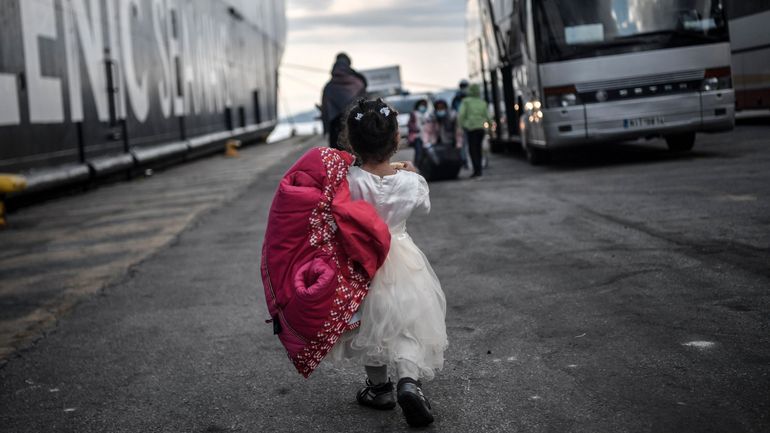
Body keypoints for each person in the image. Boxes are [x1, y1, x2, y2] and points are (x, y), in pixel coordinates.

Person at [329, 98, 448, 428]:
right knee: (407, 322)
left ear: (352, 141)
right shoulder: (412, 182)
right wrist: (407, 170)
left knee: (371, 324)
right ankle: (409, 383)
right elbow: (422, 204)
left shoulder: (348, 181)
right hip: (403, 256)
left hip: (362, 261)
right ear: (396, 140)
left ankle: (380, 389)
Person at [321, 53, 367, 150]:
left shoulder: (328, 87)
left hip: (335, 130)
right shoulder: (358, 83)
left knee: (337, 158)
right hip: (355, 126)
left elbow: (325, 110)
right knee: (356, 156)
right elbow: (364, 105)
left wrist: (326, 129)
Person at [458, 83, 490, 178]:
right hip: (481, 129)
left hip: (471, 129)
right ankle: (479, 170)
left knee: (473, 150)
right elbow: (488, 116)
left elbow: (461, 115)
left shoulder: (466, 102)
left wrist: (461, 126)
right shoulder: (482, 102)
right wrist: (491, 126)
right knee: (479, 150)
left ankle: (476, 171)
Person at [407, 98, 429, 165]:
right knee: (418, 151)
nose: (423, 107)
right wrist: (416, 129)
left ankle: (423, 164)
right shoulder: (414, 114)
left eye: (424, 105)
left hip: (426, 136)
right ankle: (417, 164)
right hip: (417, 136)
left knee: (425, 151)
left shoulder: (428, 114)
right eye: (421, 105)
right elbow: (410, 124)